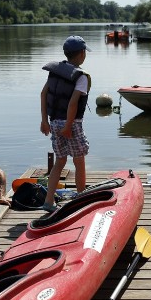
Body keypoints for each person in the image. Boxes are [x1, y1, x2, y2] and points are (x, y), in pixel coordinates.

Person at [39, 35, 91, 211]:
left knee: (59, 162)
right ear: (82, 54)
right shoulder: (81, 77)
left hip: (54, 122)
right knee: (79, 161)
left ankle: (48, 202)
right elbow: (73, 103)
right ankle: (81, 200)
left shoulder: (55, 71)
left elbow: (43, 94)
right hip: (72, 125)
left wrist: (44, 121)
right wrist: (68, 126)